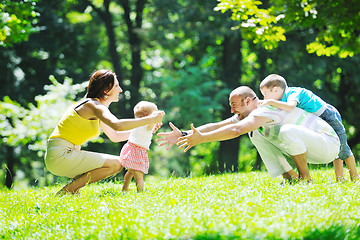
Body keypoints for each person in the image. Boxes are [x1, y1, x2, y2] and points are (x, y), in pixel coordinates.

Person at [157, 86, 340, 183]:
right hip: (311, 146)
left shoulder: (266, 108)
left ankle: (305, 179)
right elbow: (218, 125)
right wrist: (184, 133)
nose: (231, 110)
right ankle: (290, 177)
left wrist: (202, 139)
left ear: (247, 101)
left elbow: (236, 130)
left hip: (328, 144)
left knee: (285, 131)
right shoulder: (249, 114)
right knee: (256, 134)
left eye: (234, 105)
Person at [44, 69, 165, 195]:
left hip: (65, 154)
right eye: (117, 86)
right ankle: (67, 191)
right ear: (107, 89)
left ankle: (71, 191)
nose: (120, 90)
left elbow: (116, 136)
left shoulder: (96, 108)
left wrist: (145, 131)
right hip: (60, 154)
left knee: (118, 162)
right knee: (117, 163)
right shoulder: (93, 105)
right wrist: (150, 119)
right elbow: (117, 125)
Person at [259, 74, 359, 181]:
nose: (265, 98)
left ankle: (355, 176)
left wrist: (270, 102)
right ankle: (340, 178)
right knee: (337, 148)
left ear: (275, 90)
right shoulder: (282, 99)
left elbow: (290, 107)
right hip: (316, 121)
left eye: (265, 94)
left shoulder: (292, 93)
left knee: (342, 146)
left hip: (328, 115)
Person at [120, 101, 159, 192]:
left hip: (130, 148)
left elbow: (151, 125)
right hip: (137, 151)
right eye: (154, 114)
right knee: (139, 175)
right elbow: (151, 124)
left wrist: (156, 123)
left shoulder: (137, 123)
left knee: (130, 172)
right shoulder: (147, 125)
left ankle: (125, 188)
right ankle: (140, 193)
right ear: (146, 117)